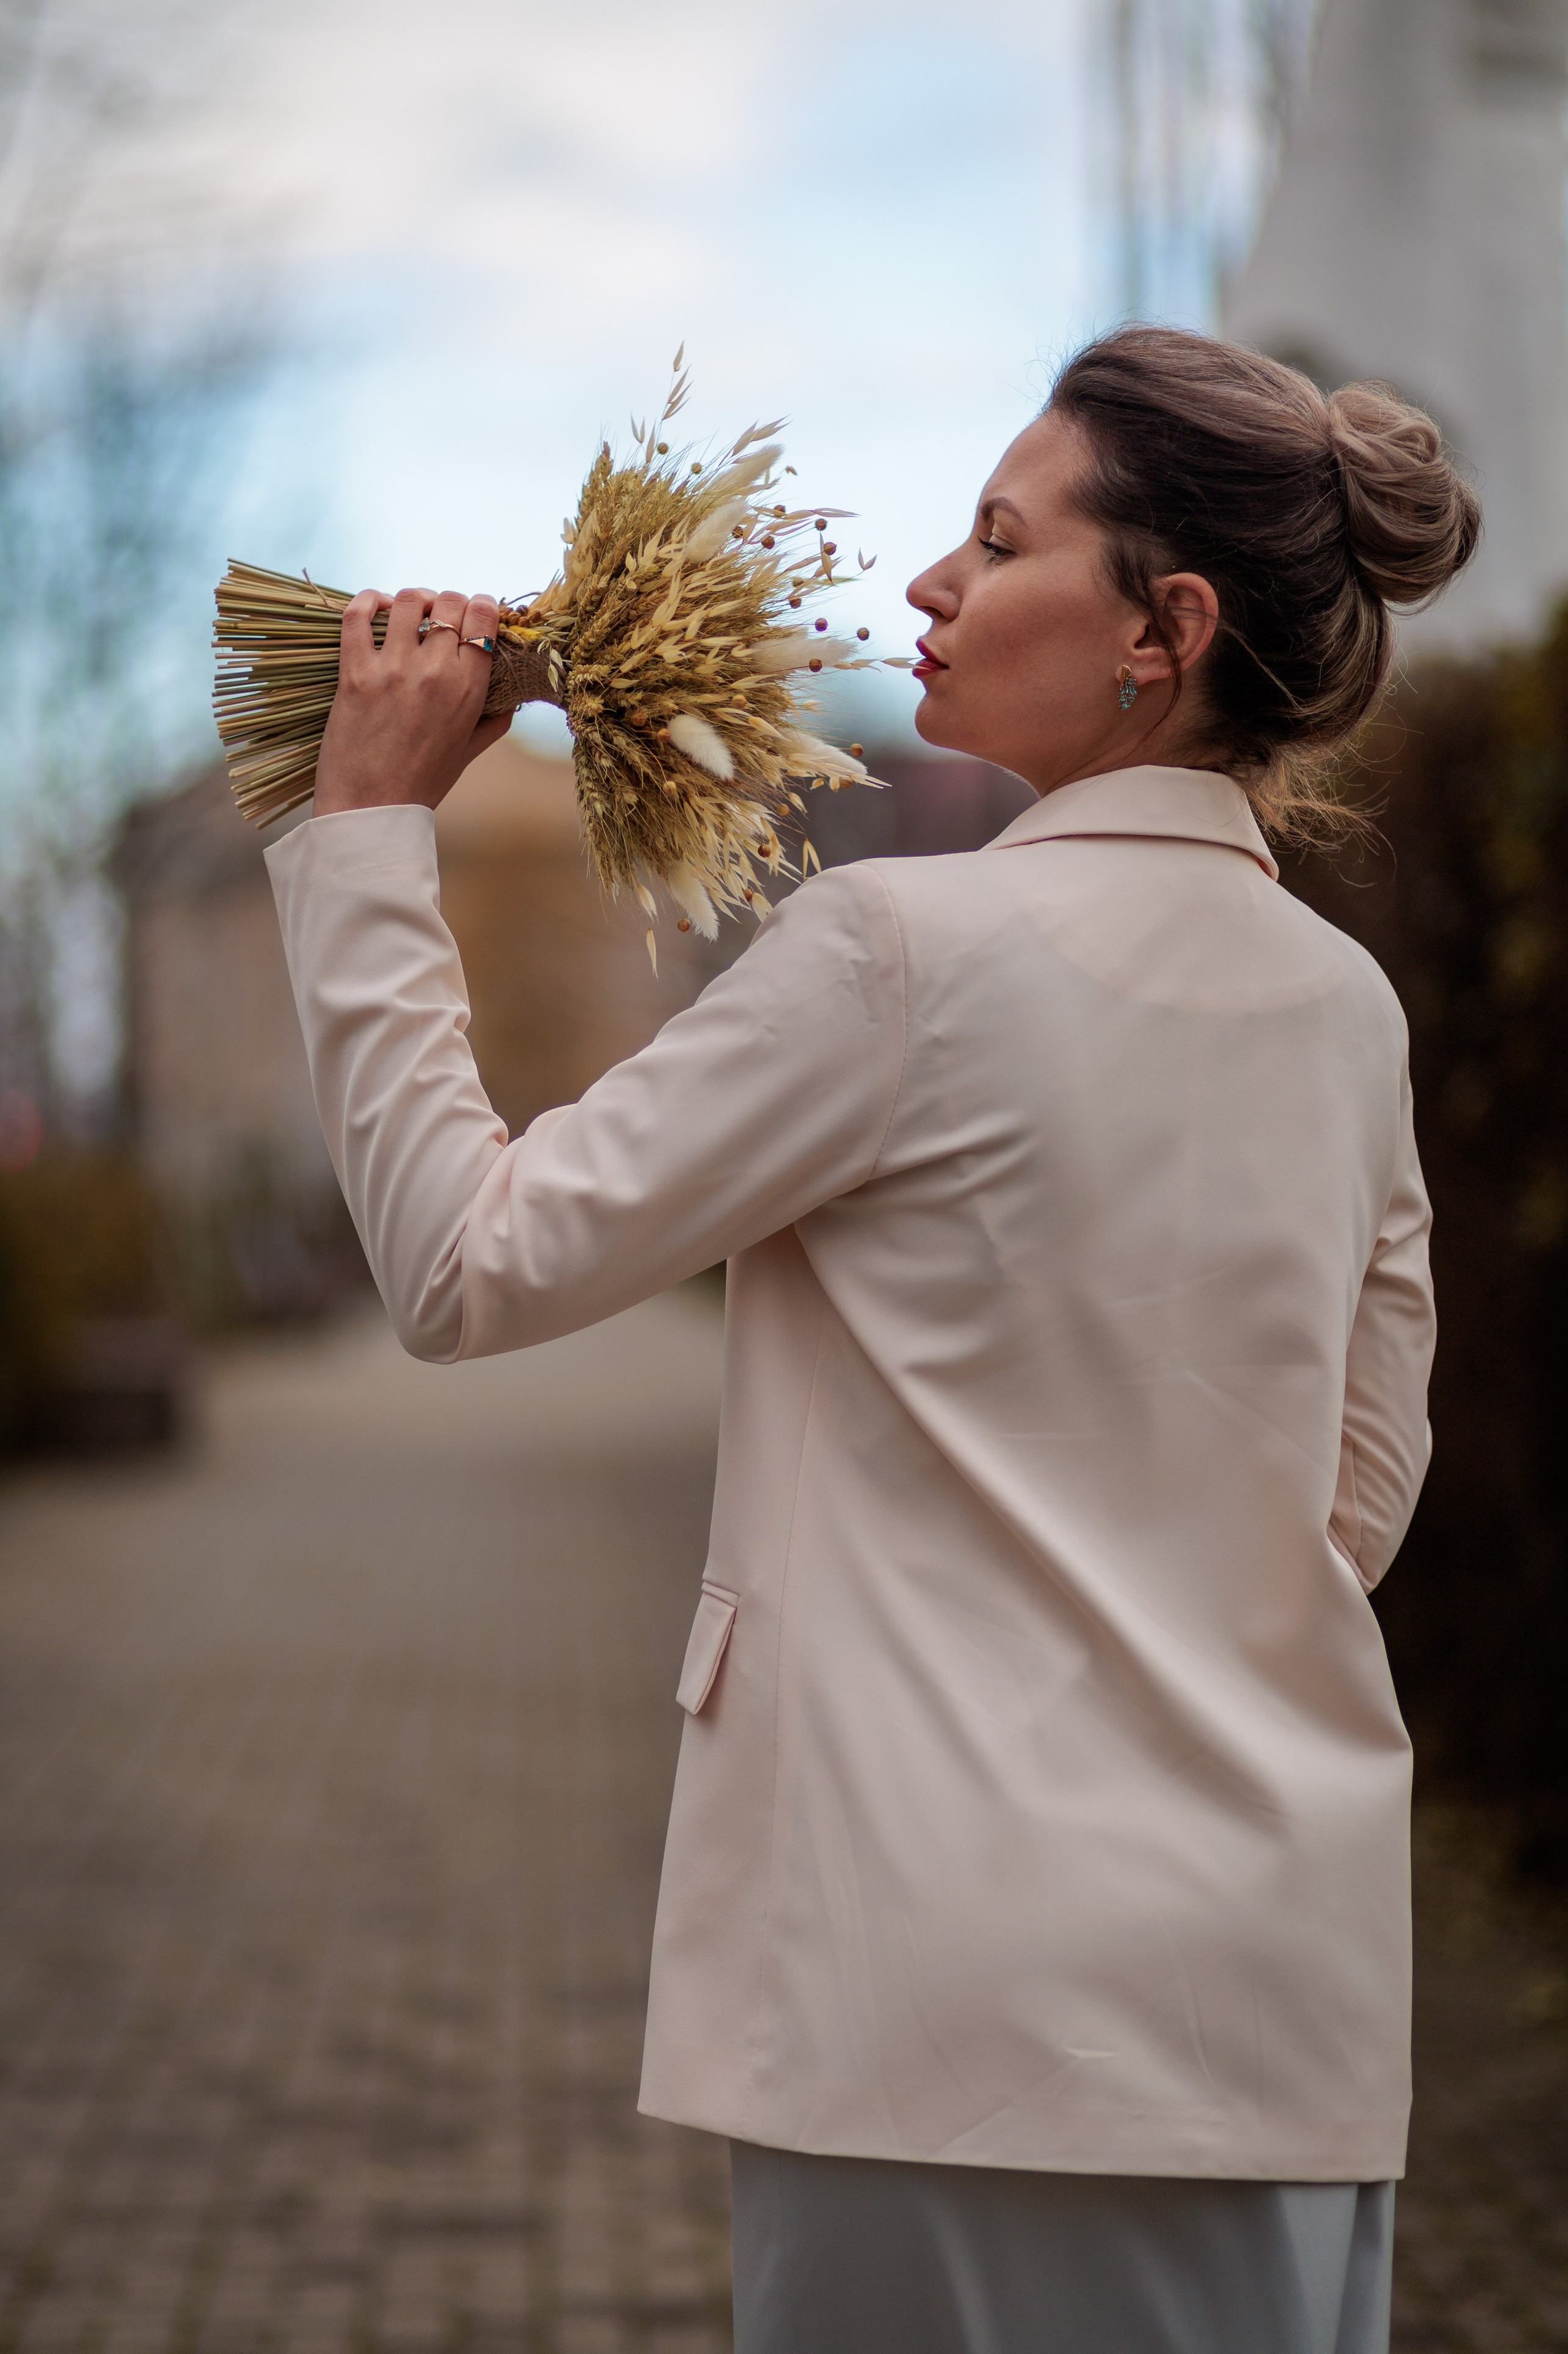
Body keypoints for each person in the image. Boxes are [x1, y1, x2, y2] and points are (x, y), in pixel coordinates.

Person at [265, 326, 1479, 2353]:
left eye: (998, 542)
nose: (929, 580)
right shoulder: (1349, 1007)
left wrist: (369, 831)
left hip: (939, 2022)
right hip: (1284, 2012)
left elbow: (464, 1262)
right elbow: (1360, 1495)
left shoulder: (895, 952)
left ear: (1163, 630)